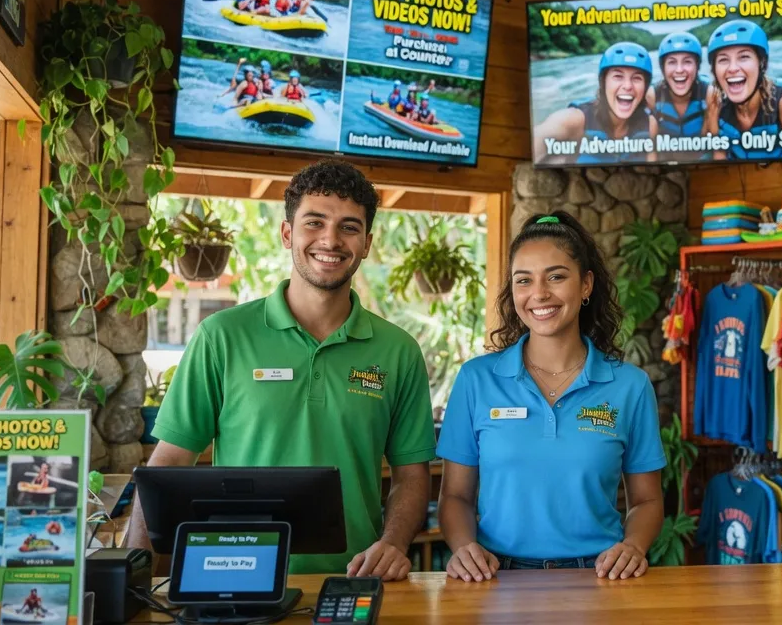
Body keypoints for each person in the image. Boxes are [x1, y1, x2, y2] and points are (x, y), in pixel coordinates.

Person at [126, 161, 436, 580]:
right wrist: (131, 579)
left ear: (366, 243)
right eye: (314, 222)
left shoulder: (398, 351)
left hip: (353, 580)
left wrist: (394, 544)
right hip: (230, 576)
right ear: (287, 233)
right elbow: (168, 462)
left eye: (349, 227)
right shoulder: (222, 336)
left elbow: (412, 476)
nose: (331, 239)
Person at [437, 211, 665, 580]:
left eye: (556, 277)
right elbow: (455, 497)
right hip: (495, 578)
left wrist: (634, 547)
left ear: (586, 284)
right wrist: (464, 549)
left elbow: (647, 500)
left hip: (602, 578)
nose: (539, 294)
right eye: (523, 280)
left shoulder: (630, 386)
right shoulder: (476, 379)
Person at [702, 19, 782, 160]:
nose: (732, 68)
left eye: (744, 57)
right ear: (714, 70)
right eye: (723, 60)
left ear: (762, 64)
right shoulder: (716, 102)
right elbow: (717, 154)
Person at [531, 42, 657, 165]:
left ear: (645, 88)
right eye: (618, 76)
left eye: (637, 78)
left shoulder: (650, 125)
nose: (628, 86)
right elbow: (530, 146)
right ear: (603, 83)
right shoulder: (573, 120)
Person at [647, 32, 710, 139]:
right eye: (672, 62)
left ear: (697, 67)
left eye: (687, 62)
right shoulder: (652, 95)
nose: (679, 70)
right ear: (663, 69)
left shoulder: (708, 92)